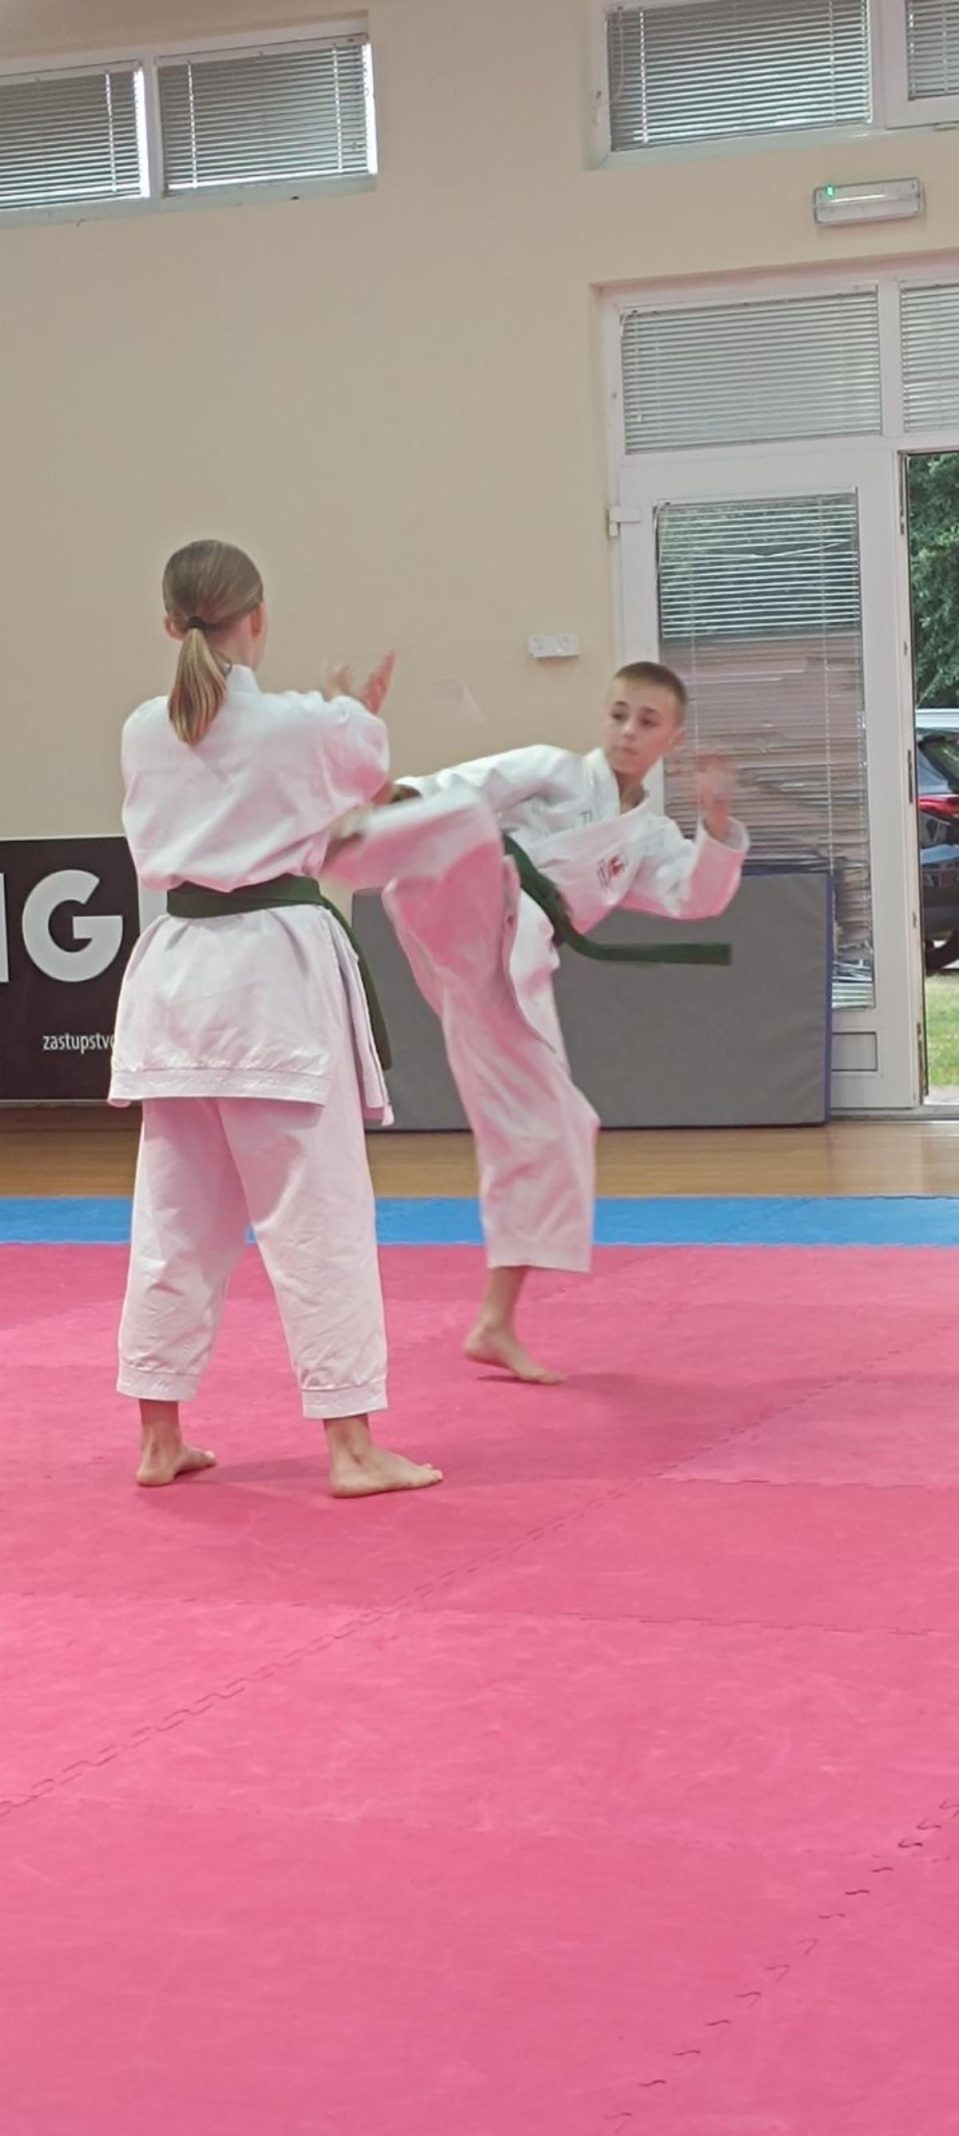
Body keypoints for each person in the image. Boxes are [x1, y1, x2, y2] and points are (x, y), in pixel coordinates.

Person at [110, 537, 441, 1498]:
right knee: (317, 1217)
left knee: (173, 1220)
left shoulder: (142, 729)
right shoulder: (305, 722)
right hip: (271, 984)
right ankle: (351, 1448)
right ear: (258, 619)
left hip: (178, 980)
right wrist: (353, 707)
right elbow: (368, 770)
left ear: (170, 624)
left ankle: (159, 1436)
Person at [327, 661, 747, 1383]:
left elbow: (696, 897)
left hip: (510, 975)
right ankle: (346, 840)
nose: (627, 731)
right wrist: (367, 761)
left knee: (556, 1127)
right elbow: (455, 786)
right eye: (618, 714)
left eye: (647, 722)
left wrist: (713, 824)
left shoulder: (646, 838)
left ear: (671, 739)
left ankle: (495, 1320)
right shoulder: (552, 771)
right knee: (464, 818)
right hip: (460, 910)